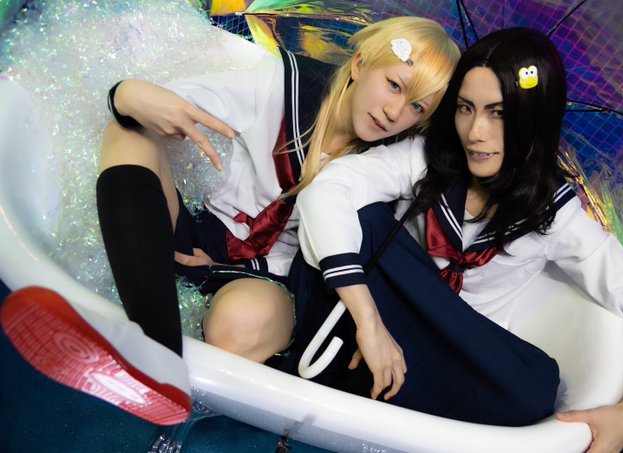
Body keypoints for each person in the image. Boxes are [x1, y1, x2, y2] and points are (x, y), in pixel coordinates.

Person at [0, 16, 460, 425]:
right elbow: (167, 105)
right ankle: (156, 352)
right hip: (198, 233)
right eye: (394, 85)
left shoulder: (395, 164)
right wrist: (126, 94)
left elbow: (376, 256)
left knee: (239, 321)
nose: (395, 112)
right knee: (129, 130)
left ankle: (152, 354)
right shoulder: (283, 84)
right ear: (359, 64)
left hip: (272, 281)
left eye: (418, 107)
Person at [289, 27, 623, 449]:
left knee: (536, 387)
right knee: (362, 217)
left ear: (533, 119)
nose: (476, 132)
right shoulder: (426, 159)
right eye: (465, 108)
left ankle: (372, 391)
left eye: (499, 113)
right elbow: (327, 189)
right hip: (375, 316)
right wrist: (369, 322)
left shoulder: (554, 214)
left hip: (449, 350)